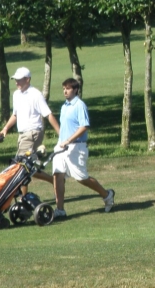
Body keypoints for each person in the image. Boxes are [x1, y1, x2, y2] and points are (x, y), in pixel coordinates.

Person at [51, 78, 115, 219]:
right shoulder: (64, 106)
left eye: (67, 89)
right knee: (57, 175)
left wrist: (69, 140)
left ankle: (106, 194)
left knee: (81, 178)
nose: (65, 91)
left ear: (75, 90)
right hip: (61, 146)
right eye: (63, 89)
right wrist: (62, 141)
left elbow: (84, 126)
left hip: (76, 147)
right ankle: (60, 209)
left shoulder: (80, 105)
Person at [0, 67, 59, 194]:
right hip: (23, 134)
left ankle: (23, 198)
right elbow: (15, 115)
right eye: (15, 80)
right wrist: (5, 128)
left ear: (27, 79)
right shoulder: (16, 94)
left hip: (32, 133)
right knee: (26, 166)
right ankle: (52, 181)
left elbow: (48, 114)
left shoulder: (35, 94)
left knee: (21, 166)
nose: (16, 82)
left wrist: (60, 133)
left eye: (19, 80)